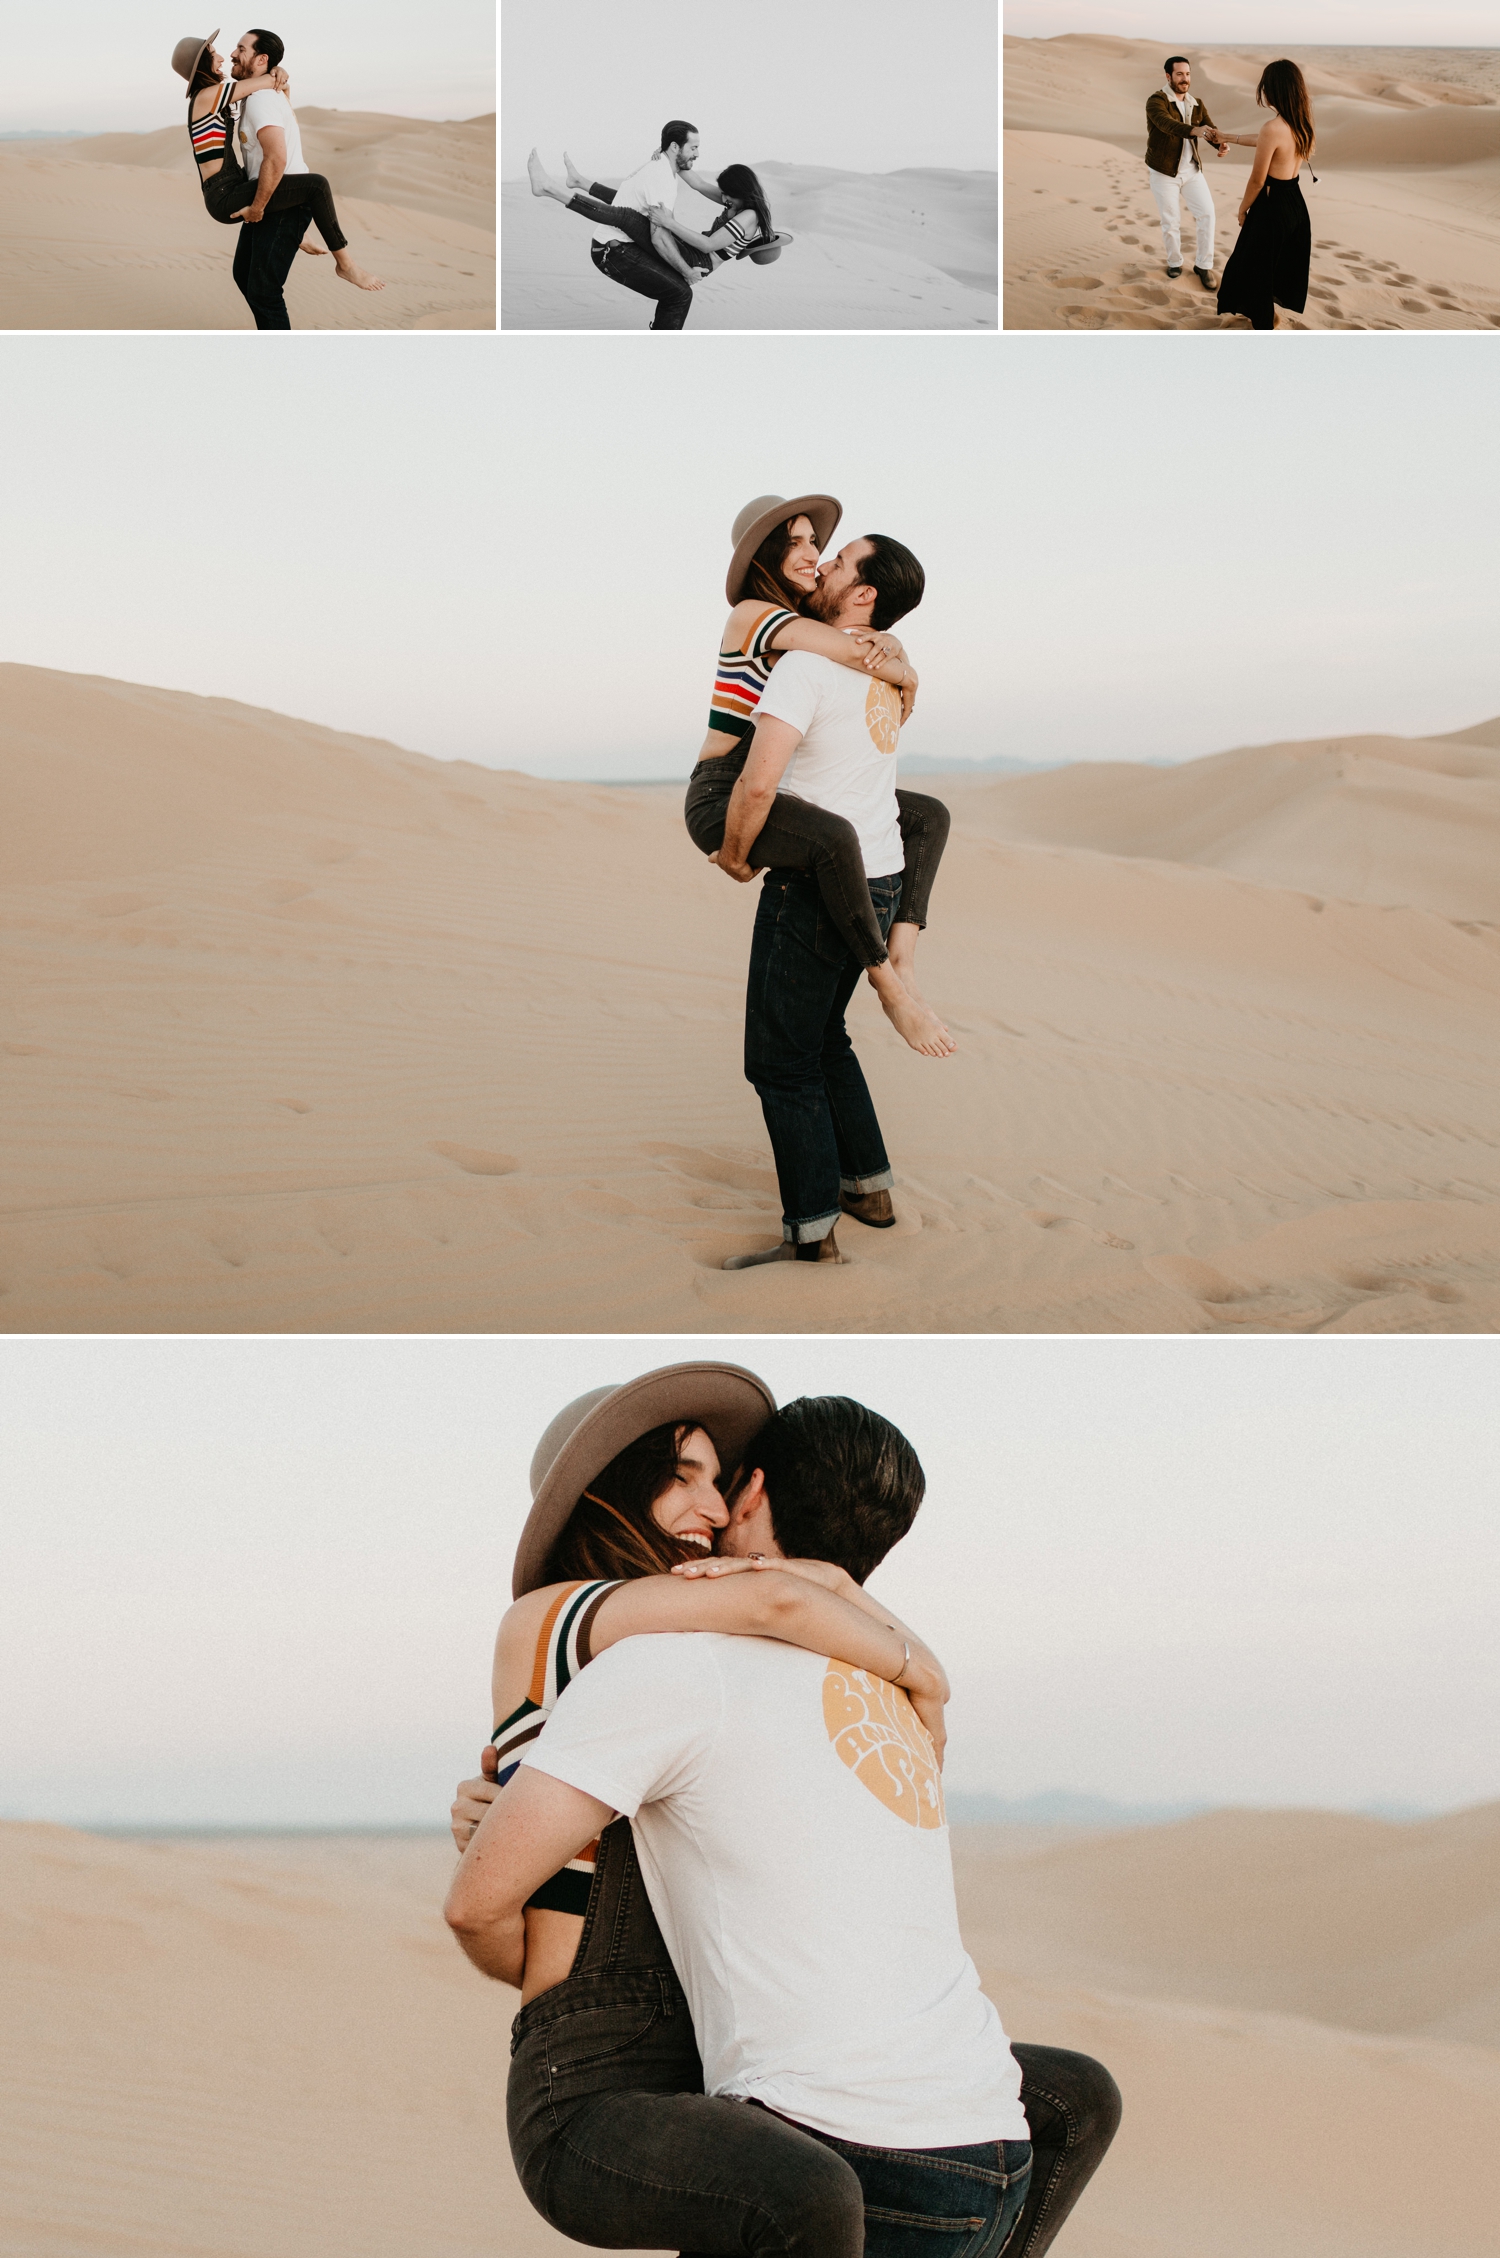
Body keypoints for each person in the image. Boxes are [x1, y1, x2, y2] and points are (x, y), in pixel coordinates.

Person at [446, 1368, 1122, 2257]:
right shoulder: (571, 1623)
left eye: (719, 1477)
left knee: (1069, 2093)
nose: (714, 1502)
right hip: (589, 2045)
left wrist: (840, 1595)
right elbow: (774, 1599)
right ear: (609, 1490)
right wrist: (922, 1671)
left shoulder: (672, 1655)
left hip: (681, 2030)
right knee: (800, 2192)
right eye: (683, 1474)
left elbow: (779, 1608)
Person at [709, 526, 951, 1269]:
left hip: (817, 888)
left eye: (840, 561)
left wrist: (736, 855)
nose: (826, 563)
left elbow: (758, 782)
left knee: (780, 1064)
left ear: (863, 594)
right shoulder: (884, 675)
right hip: (878, 881)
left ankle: (811, 1237)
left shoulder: (804, 670)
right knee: (823, 1040)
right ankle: (867, 1189)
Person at [686, 494, 953, 1068]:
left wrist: (893, 649)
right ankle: (888, 983)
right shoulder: (752, 614)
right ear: (766, 557)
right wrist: (905, 671)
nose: (814, 553)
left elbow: (860, 644)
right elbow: (851, 648)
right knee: (836, 839)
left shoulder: (798, 625)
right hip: (723, 791)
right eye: (798, 543)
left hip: (775, 783)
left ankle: (904, 953)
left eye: (815, 541)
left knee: (926, 815)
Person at [171, 28, 384, 329]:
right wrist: (276, 74)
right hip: (224, 193)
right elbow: (265, 83)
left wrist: (276, 75)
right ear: (201, 66)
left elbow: (266, 92)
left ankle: (298, 231)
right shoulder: (208, 96)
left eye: (232, 50)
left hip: (234, 186)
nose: (222, 56)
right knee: (317, 185)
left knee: (247, 278)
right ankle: (346, 265)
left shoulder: (217, 98)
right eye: (213, 54)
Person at [522, 121, 739, 329]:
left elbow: (695, 185)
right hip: (614, 252)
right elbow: (659, 238)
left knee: (634, 214)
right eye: (694, 147)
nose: (698, 153)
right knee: (680, 295)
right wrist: (687, 271)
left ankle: (576, 183)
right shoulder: (662, 177)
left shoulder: (661, 166)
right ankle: (550, 188)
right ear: (675, 147)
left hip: (616, 244)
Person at [1215, 60, 1316, 331]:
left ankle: (1264, 327)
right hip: (1294, 203)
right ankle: (1266, 317)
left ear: (1272, 89)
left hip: (1272, 206)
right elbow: (1264, 141)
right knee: (1271, 267)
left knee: (1252, 269)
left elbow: (1257, 180)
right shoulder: (1300, 123)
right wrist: (1229, 136)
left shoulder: (1272, 127)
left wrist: (1242, 209)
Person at [1145, 56, 1223, 287]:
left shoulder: (1196, 102)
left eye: (1187, 74)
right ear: (1168, 76)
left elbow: (1209, 129)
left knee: (1207, 214)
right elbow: (1167, 124)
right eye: (1179, 74)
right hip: (1163, 172)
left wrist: (1220, 143)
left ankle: (1203, 265)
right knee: (1171, 221)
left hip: (1192, 171)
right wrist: (1195, 130)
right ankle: (1174, 262)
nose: (1184, 79)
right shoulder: (1156, 101)